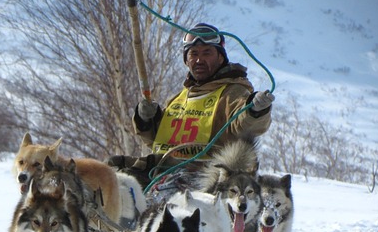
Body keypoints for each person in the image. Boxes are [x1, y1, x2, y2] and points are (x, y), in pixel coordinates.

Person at [108, 22, 274, 190]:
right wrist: (147, 120)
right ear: (186, 60)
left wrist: (255, 111)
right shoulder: (181, 97)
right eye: (193, 53)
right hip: (162, 169)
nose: (199, 60)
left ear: (221, 57)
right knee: (107, 172)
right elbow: (162, 142)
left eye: (207, 52)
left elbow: (244, 124)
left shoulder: (232, 92)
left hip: (202, 178)